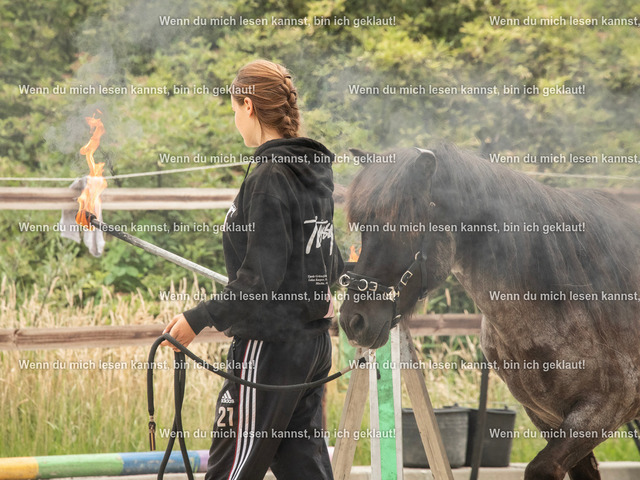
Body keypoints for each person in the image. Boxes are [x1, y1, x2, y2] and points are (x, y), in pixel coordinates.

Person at [162, 59, 342, 480]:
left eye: (233, 109)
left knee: (229, 471)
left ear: (248, 105)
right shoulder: (312, 171)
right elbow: (328, 260)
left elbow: (259, 283)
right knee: (304, 470)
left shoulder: (269, 176)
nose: (235, 120)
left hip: (269, 348)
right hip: (311, 347)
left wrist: (197, 319)